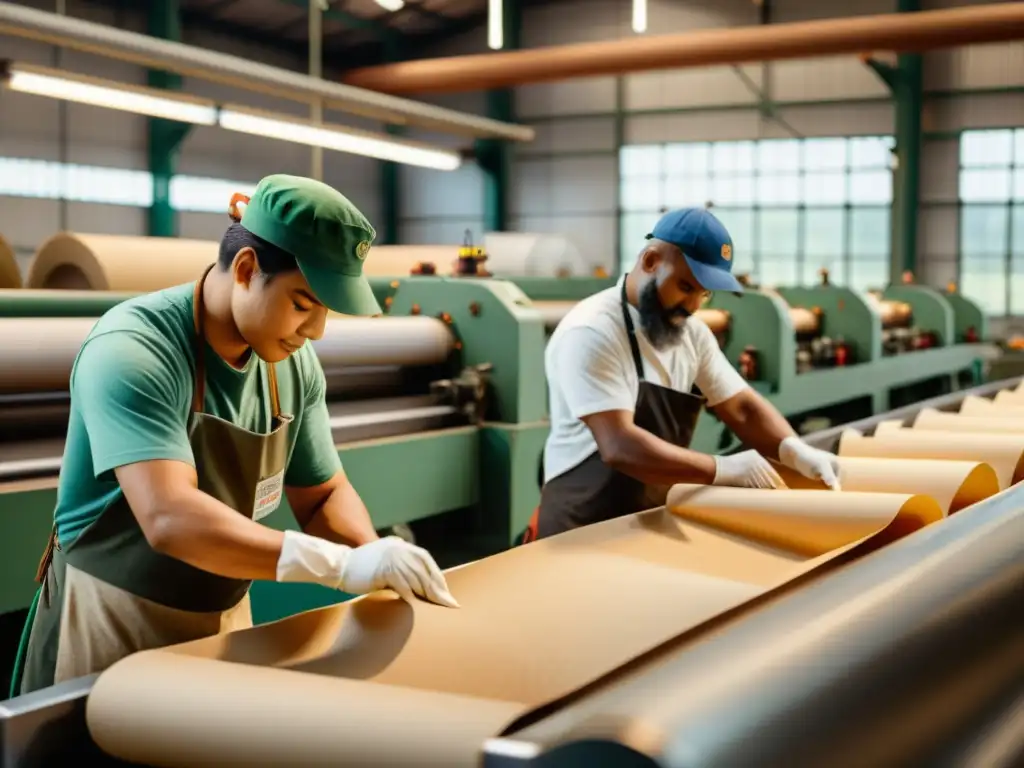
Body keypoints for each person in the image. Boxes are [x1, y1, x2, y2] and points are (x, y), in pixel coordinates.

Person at [12, 174, 458, 697]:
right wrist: (340, 566)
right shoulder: (134, 349)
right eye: (302, 304)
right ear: (247, 269)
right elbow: (169, 517)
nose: (315, 331)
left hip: (222, 611)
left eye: (325, 312)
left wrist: (378, 558)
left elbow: (322, 494)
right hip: (110, 618)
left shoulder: (292, 364)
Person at [525, 207, 842, 542]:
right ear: (650, 262)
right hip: (579, 528)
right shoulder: (593, 330)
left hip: (643, 523)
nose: (693, 305)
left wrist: (794, 450)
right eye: (686, 286)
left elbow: (742, 407)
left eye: (704, 294)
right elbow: (618, 445)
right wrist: (722, 469)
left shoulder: (692, 334)